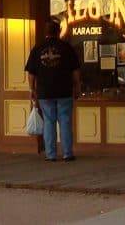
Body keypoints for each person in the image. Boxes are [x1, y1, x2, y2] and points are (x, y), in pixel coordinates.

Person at [24, 19, 81, 161]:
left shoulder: (37, 48)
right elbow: (75, 71)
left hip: (44, 92)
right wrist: (77, 87)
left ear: (46, 32)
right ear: (58, 31)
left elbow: (31, 74)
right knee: (65, 121)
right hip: (64, 90)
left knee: (49, 122)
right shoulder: (66, 48)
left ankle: (51, 154)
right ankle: (67, 153)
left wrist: (32, 89)